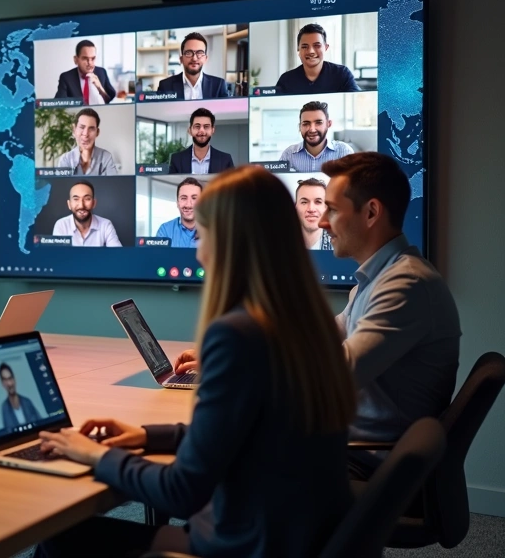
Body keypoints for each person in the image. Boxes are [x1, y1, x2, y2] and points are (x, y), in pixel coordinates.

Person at [37, 165, 356, 557]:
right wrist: (148, 436)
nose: (199, 252)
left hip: (241, 544)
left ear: (229, 242)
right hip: (291, 537)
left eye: (203, 236)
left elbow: (182, 491)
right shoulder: (308, 322)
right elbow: (250, 434)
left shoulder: (238, 335)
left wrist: (98, 455)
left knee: (59, 541)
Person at [174, 153, 460, 479]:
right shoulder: (380, 278)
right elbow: (323, 335)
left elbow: (336, 374)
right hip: (349, 444)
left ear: (371, 212)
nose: (322, 221)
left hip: (363, 464)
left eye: (333, 209)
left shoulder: (405, 284)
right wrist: (237, 354)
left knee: (221, 459)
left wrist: (241, 362)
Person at [275, 23, 361, 94]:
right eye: (305, 47)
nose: (311, 51)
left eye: (317, 45)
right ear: (298, 49)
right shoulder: (286, 80)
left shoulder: (342, 74)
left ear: (326, 47)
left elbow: (357, 101)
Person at [279, 101, 355, 173]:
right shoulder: (288, 154)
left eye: (318, 123)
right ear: (300, 127)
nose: (312, 129)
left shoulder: (344, 152)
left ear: (329, 124)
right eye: (306, 124)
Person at [156, 32, 230, 100]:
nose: (194, 58)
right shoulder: (165, 86)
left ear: (205, 58)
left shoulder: (219, 85)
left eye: (200, 53)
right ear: (181, 59)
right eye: (188, 53)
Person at [51, 181, 121, 247]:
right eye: (76, 199)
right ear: (69, 204)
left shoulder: (106, 225)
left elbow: (118, 255)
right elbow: (58, 257)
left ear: (94, 203)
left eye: (87, 199)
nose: (81, 205)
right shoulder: (61, 225)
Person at [167, 108, 235, 174]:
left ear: (212, 130)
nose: (201, 131)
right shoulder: (177, 159)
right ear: (190, 130)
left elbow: (233, 185)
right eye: (197, 126)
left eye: (206, 126)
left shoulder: (225, 160)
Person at [55, 108, 117, 176]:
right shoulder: (66, 159)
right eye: (82, 127)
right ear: (74, 130)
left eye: (91, 129)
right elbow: (63, 185)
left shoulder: (106, 157)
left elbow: (112, 185)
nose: (85, 134)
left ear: (97, 132)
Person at [54, 39, 117, 105]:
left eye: (93, 58)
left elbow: (109, 99)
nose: (90, 63)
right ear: (76, 60)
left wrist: (100, 88)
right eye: (85, 58)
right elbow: (58, 103)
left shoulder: (102, 72)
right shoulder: (66, 77)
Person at [154, 177, 202, 248]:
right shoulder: (165, 230)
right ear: (177, 203)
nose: (188, 204)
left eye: (194, 198)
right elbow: (158, 258)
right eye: (183, 198)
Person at [0, 363, 43, 430]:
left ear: (14, 379)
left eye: (10, 378)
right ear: (2, 383)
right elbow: (8, 432)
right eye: (5, 380)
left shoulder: (27, 402)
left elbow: (41, 423)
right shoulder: (4, 408)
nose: (9, 384)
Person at [296, 177, 333, 251]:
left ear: (326, 208)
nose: (311, 209)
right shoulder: (279, 244)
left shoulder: (341, 246)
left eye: (318, 202)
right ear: (295, 207)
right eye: (304, 202)